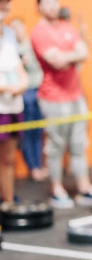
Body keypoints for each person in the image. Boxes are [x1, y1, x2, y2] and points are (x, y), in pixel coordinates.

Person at [30, 0, 92, 208]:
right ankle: (57, 190)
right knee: (56, 146)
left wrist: (67, 57)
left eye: (55, 1)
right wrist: (72, 56)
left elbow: (84, 53)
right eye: (47, 2)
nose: (52, 6)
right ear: (39, 7)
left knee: (79, 145)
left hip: (76, 96)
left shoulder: (67, 27)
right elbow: (56, 62)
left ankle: (84, 188)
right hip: (53, 98)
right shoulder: (39, 33)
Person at [9, 16, 49, 181]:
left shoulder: (33, 44)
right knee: (27, 133)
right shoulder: (12, 50)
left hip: (39, 91)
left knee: (38, 132)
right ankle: (33, 168)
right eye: (13, 28)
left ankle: (39, 166)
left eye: (18, 27)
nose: (16, 31)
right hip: (24, 93)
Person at [0, 0, 29, 204]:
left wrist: (22, 83)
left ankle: (8, 203)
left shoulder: (9, 34)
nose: (4, 6)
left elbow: (19, 68)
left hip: (12, 106)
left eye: (7, 1)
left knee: (8, 158)